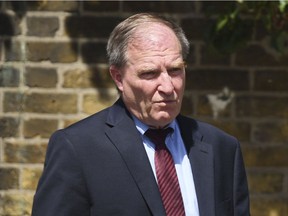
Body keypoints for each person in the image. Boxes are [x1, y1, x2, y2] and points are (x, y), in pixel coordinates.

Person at [31, 13, 250, 216]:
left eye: (175, 70)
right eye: (149, 73)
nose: (167, 86)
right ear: (118, 78)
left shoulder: (221, 147)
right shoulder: (77, 148)